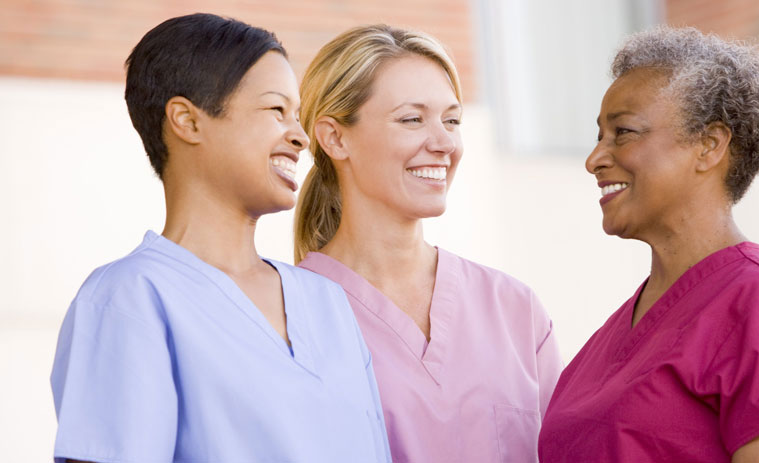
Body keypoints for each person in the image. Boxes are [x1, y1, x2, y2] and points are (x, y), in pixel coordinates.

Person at [50, 13, 390, 463]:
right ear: (187, 121)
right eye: (276, 110)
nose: (300, 137)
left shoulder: (327, 302)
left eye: (297, 116)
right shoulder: (130, 298)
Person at [537, 26, 759, 462]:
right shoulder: (611, 336)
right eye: (599, 136)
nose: (594, 159)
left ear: (709, 145)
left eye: (623, 132)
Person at [292, 24, 563, 462]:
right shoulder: (287, 316)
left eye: (452, 120)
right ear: (335, 137)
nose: (444, 143)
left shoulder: (515, 310)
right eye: (412, 119)